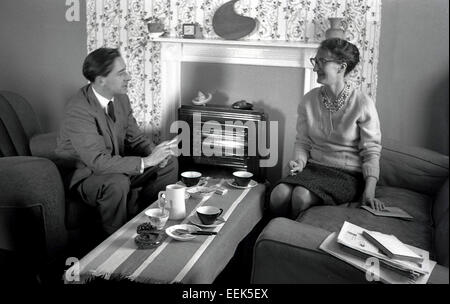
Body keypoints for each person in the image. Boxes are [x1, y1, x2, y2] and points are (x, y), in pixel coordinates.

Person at [56, 47, 178, 235]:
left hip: (114, 166)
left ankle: (150, 221)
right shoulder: (78, 110)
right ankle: (113, 242)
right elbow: (98, 162)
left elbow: (136, 138)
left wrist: (157, 153)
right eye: (121, 73)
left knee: (169, 164)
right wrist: (147, 161)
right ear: (101, 80)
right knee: (117, 183)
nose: (128, 77)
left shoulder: (121, 99)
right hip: (86, 175)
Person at [270, 38, 383, 219]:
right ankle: (269, 237)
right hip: (313, 168)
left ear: (341, 67)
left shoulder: (362, 104)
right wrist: (299, 163)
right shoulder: (308, 100)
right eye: (315, 61)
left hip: (346, 175)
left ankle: (290, 235)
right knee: (278, 193)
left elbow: (371, 152)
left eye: (322, 62)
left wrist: (369, 192)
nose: (315, 68)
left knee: (301, 195)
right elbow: (303, 142)